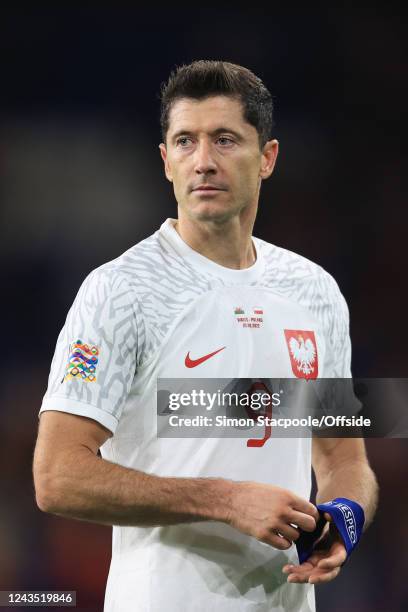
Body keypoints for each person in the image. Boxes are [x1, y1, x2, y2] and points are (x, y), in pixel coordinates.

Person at [33, 60, 378, 611]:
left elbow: (343, 457)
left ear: (267, 158)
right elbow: (57, 476)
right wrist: (223, 499)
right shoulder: (120, 291)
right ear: (165, 160)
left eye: (224, 140)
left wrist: (344, 518)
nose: (203, 162)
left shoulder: (314, 291)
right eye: (185, 142)